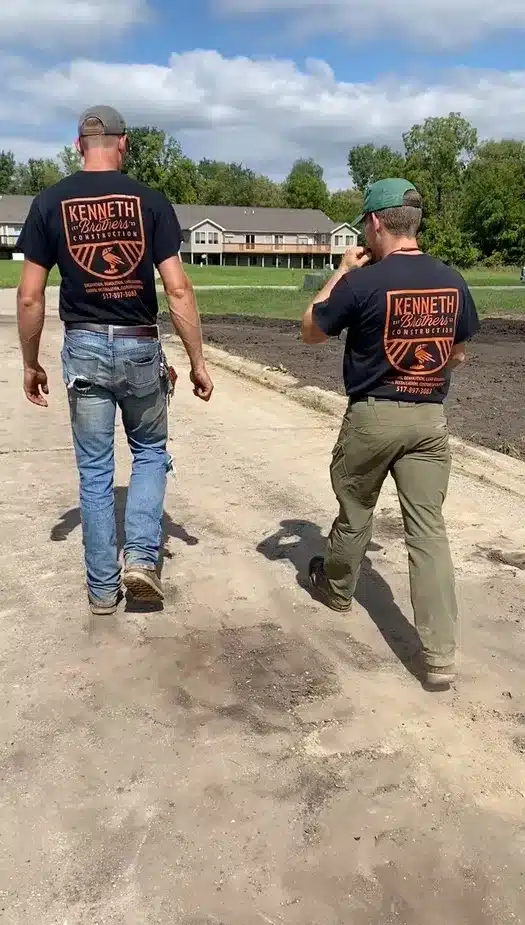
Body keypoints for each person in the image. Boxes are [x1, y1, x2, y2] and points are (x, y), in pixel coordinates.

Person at [17, 105, 213, 615]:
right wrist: (197, 361)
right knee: (148, 452)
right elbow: (178, 289)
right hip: (139, 344)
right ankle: (142, 560)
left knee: (95, 470)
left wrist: (30, 363)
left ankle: (103, 590)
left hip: (83, 346)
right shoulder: (150, 201)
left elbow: (31, 296)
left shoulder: (49, 202)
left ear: (78, 145)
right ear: (124, 143)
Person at [301, 178, 480, 689]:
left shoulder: (363, 282)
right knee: (428, 531)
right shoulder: (452, 280)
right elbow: (458, 353)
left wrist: (341, 271)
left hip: (374, 416)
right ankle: (440, 655)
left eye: (365, 224)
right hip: (429, 420)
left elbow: (310, 330)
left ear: (377, 222)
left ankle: (337, 589)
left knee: (356, 509)